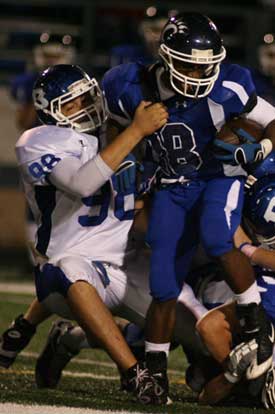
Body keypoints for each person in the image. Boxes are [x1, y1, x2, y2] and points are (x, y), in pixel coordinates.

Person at [102, 11, 275, 402]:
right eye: (188, 68)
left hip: (218, 175)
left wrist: (259, 148)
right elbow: (113, 123)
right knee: (163, 284)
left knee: (217, 236)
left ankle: (255, 322)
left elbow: (271, 121)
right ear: (165, 57)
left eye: (205, 69)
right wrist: (125, 162)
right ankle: (156, 369)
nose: (198, 77)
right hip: (172, 186)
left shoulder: (229, 84)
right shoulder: (131, 86)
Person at [1, 63, 169, 405]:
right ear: (51, 112)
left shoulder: (115, 131)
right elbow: (82, 183)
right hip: (69, 268)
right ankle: (134, 375)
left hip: (125, 261)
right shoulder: (42, 140)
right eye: (71, 104)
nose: (85, 108)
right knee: (69, 267)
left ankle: (70, 338)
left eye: (87, 98)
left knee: (184, 322)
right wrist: (135, 132)